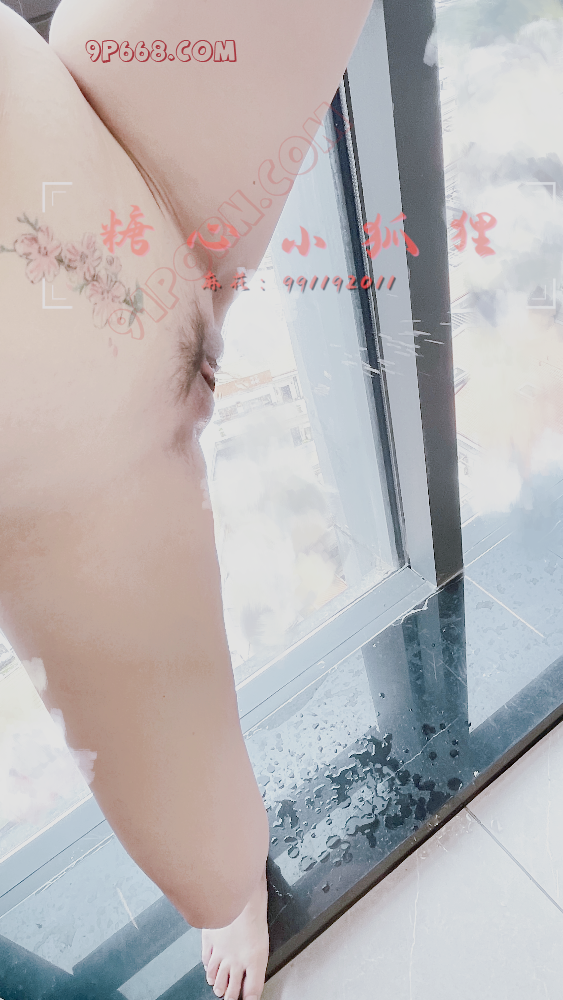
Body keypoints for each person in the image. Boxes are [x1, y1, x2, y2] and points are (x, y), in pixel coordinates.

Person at [0, 1, 372, 997]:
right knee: (208, 862)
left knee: (208, 862)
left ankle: (231, 892)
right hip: (68, 450)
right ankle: (233, 892)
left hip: (86, 127)